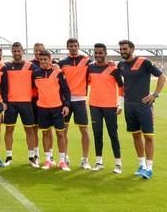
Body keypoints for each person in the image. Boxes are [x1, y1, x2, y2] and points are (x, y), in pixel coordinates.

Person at [117, 39, 165, 180]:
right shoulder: (121, 65)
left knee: (148, 136)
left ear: (132, 49)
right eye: (121, 49)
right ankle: (142, 165)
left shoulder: (144, 62)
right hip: (129, 106)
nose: (122, 51)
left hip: (144, 106)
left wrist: (154, 95)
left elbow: (162, 77)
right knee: (135, 135)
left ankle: (149, 168)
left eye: (125, 49)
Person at [88, 43, 124, 174]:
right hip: (94, 106)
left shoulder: (113, 69)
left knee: (113, 135)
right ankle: (98, 162)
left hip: (110, 107)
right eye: (96, 53)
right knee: (97, 135)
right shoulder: (90, 68)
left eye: (100, 53)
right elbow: (88, 82)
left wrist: (120, 104)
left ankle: (118, 164)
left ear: (105, 53)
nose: (98, 55)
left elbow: (121, 87)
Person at [33, 50, 71, 171]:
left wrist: (66, 105)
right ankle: (48, 160)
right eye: (41, 60)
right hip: (42, 108)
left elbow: (66, 90)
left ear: (50, 60)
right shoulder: (35, 73)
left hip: (57, 108)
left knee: (60, 134)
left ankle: (62, 161)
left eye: (46, 59)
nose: (43, 62)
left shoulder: (58, 72)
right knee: (45, 133)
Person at [3, 42, 39, 167]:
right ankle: (8, 157)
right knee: (9, 130)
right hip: (11, 103)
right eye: (14, 51)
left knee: (29, 130)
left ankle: (32, 157)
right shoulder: (6, 66)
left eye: (19, 51)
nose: (17, 53)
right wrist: (4, 101)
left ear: (22, 51)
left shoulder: (31, 66)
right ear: (11, 52)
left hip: (26, 102)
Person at [58, 38, 92, 169]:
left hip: (80, 100)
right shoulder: (62, 63)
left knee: (84, 130)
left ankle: (85, 159)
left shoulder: (87, 61)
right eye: (70, 46)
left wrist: (111, 64)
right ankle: (64, 157)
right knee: (63, 131)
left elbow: (99, 67)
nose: (73, 47)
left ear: (78, 46)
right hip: (65, 101)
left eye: (75, 45)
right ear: (67, 47)